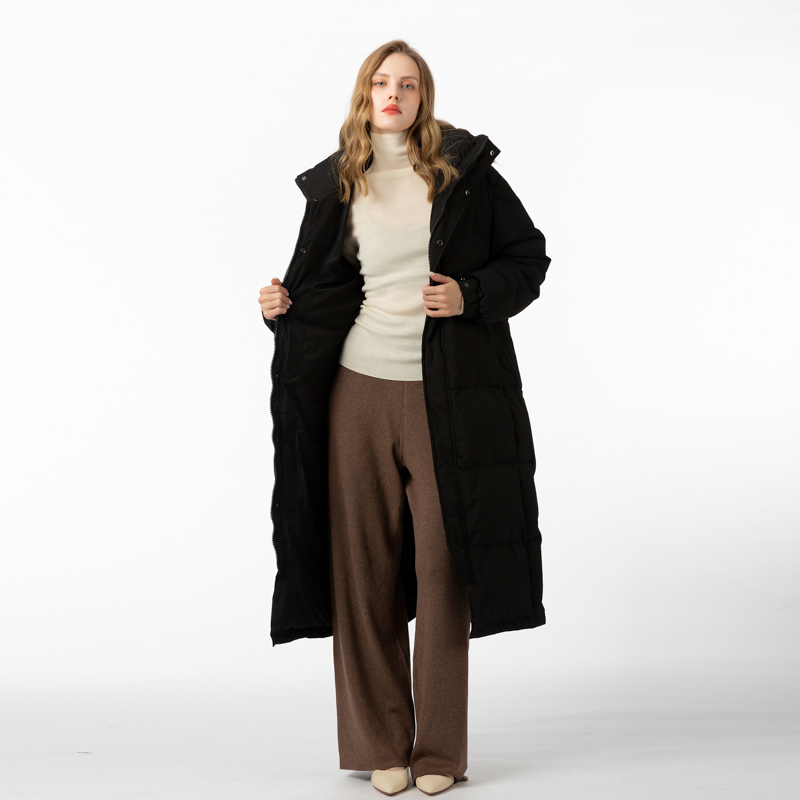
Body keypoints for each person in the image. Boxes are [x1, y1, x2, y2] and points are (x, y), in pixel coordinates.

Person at [258, 39, 551, 796]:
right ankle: (379, 744)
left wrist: (470, 295)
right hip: (356, 391)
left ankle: (439, 754)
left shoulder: (464, 174)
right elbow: (323, 289)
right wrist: (280, 308)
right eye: (381, 82)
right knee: (362, 571)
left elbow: (529, 259)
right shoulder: (340, 183)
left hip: (443, 394)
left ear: (425, 97)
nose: (394, 94)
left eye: (409, 84)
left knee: (445, 569)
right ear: (365, 94)